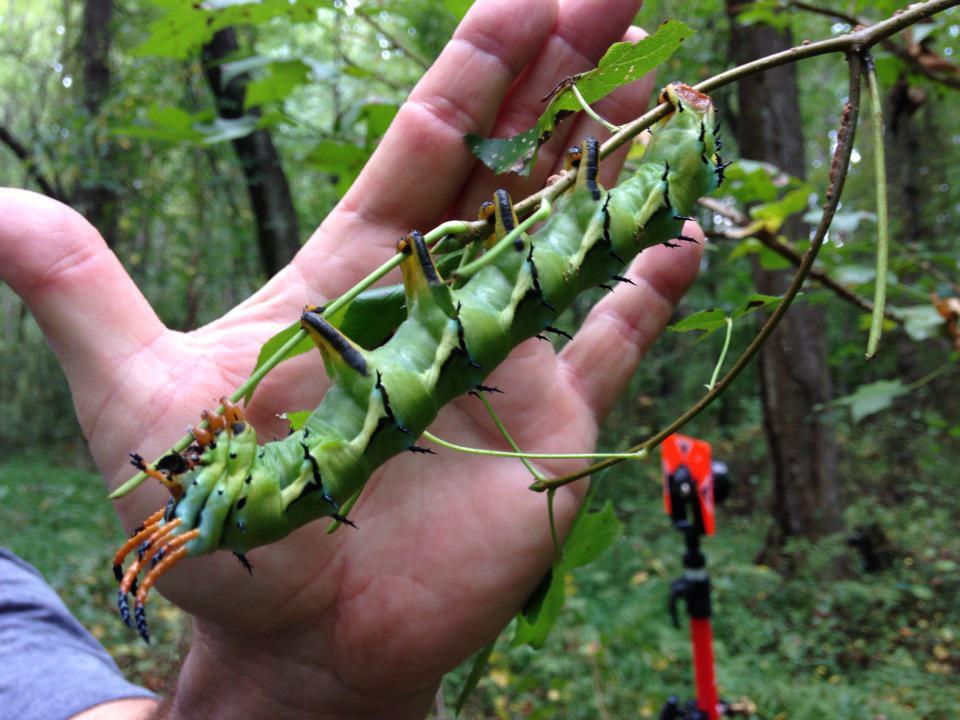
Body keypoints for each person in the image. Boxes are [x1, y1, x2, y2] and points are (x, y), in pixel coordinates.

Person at [0, 0, 702, 717]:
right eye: (212, 471)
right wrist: (295, 679)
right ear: (248, 491)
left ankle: (672, 177)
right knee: (526, 276)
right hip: (528, 279)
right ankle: (679, 171)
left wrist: (271, 680)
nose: (208, 442)